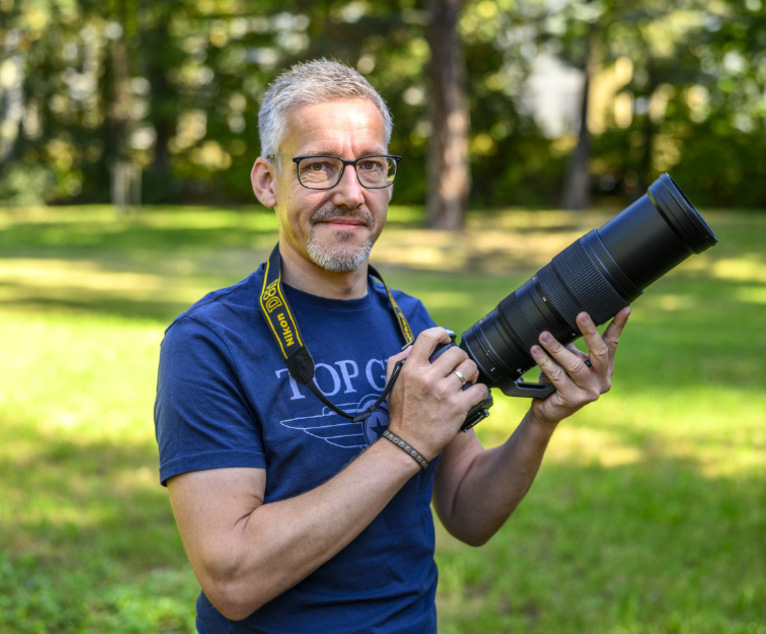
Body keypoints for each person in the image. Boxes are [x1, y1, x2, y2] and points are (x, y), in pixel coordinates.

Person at [154, 58, 630, 633]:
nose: (352, 193)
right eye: (320, 167)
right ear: (266, 181)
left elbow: (467, 513)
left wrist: (541, 422)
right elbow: (233, 579)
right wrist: (404, 443)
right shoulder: (210, 341)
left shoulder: (410, 322)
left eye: (371, 166)